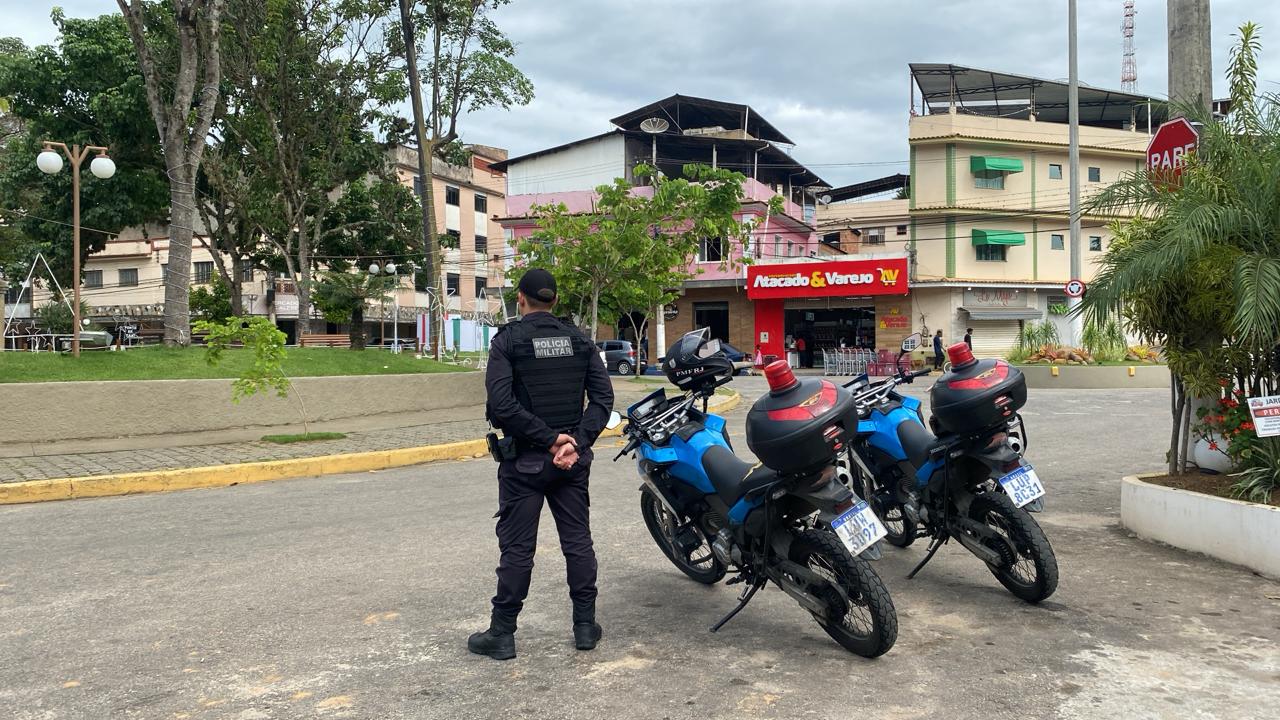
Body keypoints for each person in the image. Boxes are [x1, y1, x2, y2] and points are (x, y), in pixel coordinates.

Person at [469, 268, 615, 661]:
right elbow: (603, 401)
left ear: (521, 298)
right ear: (554, 300)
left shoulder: (508, 342)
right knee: (578, 542)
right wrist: (574, 442)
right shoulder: (580, 340)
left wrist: (550, 440)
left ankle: (502, 633)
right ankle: (585, 627)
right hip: (571, 461)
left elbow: (501, 405)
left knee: (517, 549)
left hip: (526, 463)